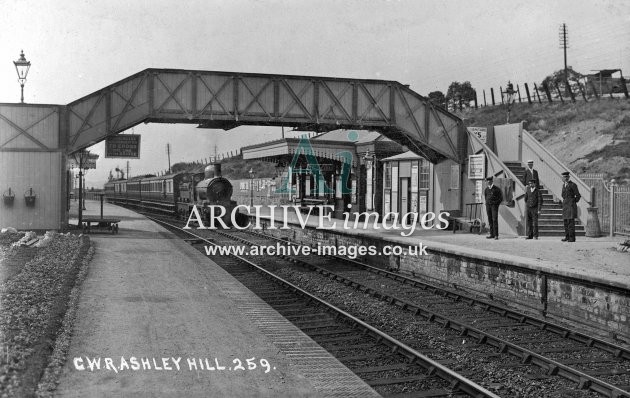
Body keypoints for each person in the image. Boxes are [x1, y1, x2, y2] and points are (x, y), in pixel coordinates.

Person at [560, 171, 581, 242]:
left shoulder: (573, 185)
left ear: (569, 177)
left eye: (566, 177)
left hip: (571, 206)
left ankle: (572, 238)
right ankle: (567, 237)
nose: (565, 178)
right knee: (565, 222)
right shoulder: (563, 185)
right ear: (562, 178)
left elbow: (578, 195)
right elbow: (562, 195)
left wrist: (573, 201)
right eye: (564, 177)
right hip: (565, 206)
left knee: (570, 222)